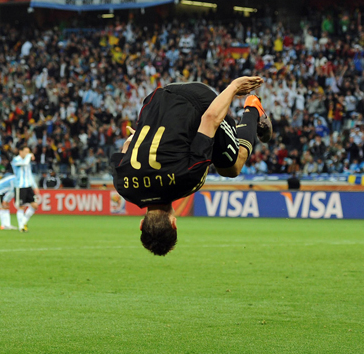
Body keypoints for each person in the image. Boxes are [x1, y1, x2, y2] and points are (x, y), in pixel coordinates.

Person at [111, 77, 270, 256]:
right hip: (156, 99)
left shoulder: (186, 180)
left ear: (174, 223)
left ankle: (252, 108)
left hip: (197, 101)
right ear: (141, 224)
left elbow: (210, 119)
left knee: (232, 167)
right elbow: (128, 145)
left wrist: (233, 88)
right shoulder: (124, 186)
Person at [11, 145, 40, 232]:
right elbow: (24, 163)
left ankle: (23, 222)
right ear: (20, 152)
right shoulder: (16, 160)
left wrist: (35, 186)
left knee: (35, 205)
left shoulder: (27, 161)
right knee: (21, 207)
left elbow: (29, 174)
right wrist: (29, 156)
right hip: (20, 186)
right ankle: (21, 227)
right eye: (26, 152)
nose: (27, 154)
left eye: (28, 152)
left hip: (28, 186)